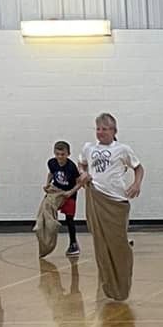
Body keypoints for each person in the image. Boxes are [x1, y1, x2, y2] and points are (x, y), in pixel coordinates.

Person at [77, 112, 143, 302]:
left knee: (119, 243)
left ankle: (122, 283)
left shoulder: (122, 149)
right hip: (96, 198)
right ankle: (108, 285)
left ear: (114, 131)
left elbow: (139, 167)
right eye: (98, 129)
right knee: (101, 244)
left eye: (105, 129)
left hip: (116, 202)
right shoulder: (89, 148)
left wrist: (136, 184)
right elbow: (81, 165)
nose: (100, 132)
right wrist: (83, 174)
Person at [38, 141, 80, 258]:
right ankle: (46, 241)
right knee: (45, 212)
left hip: (69, 193)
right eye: (57, 154)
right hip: (56, 191)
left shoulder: (71, 167)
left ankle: (73, 243)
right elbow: (51, 173)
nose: (60, 157)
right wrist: (47, 184)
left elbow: (79, 183)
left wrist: (70, 192)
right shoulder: (52, 162)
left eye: (63, 154)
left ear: (68, 154)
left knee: (69, 219)